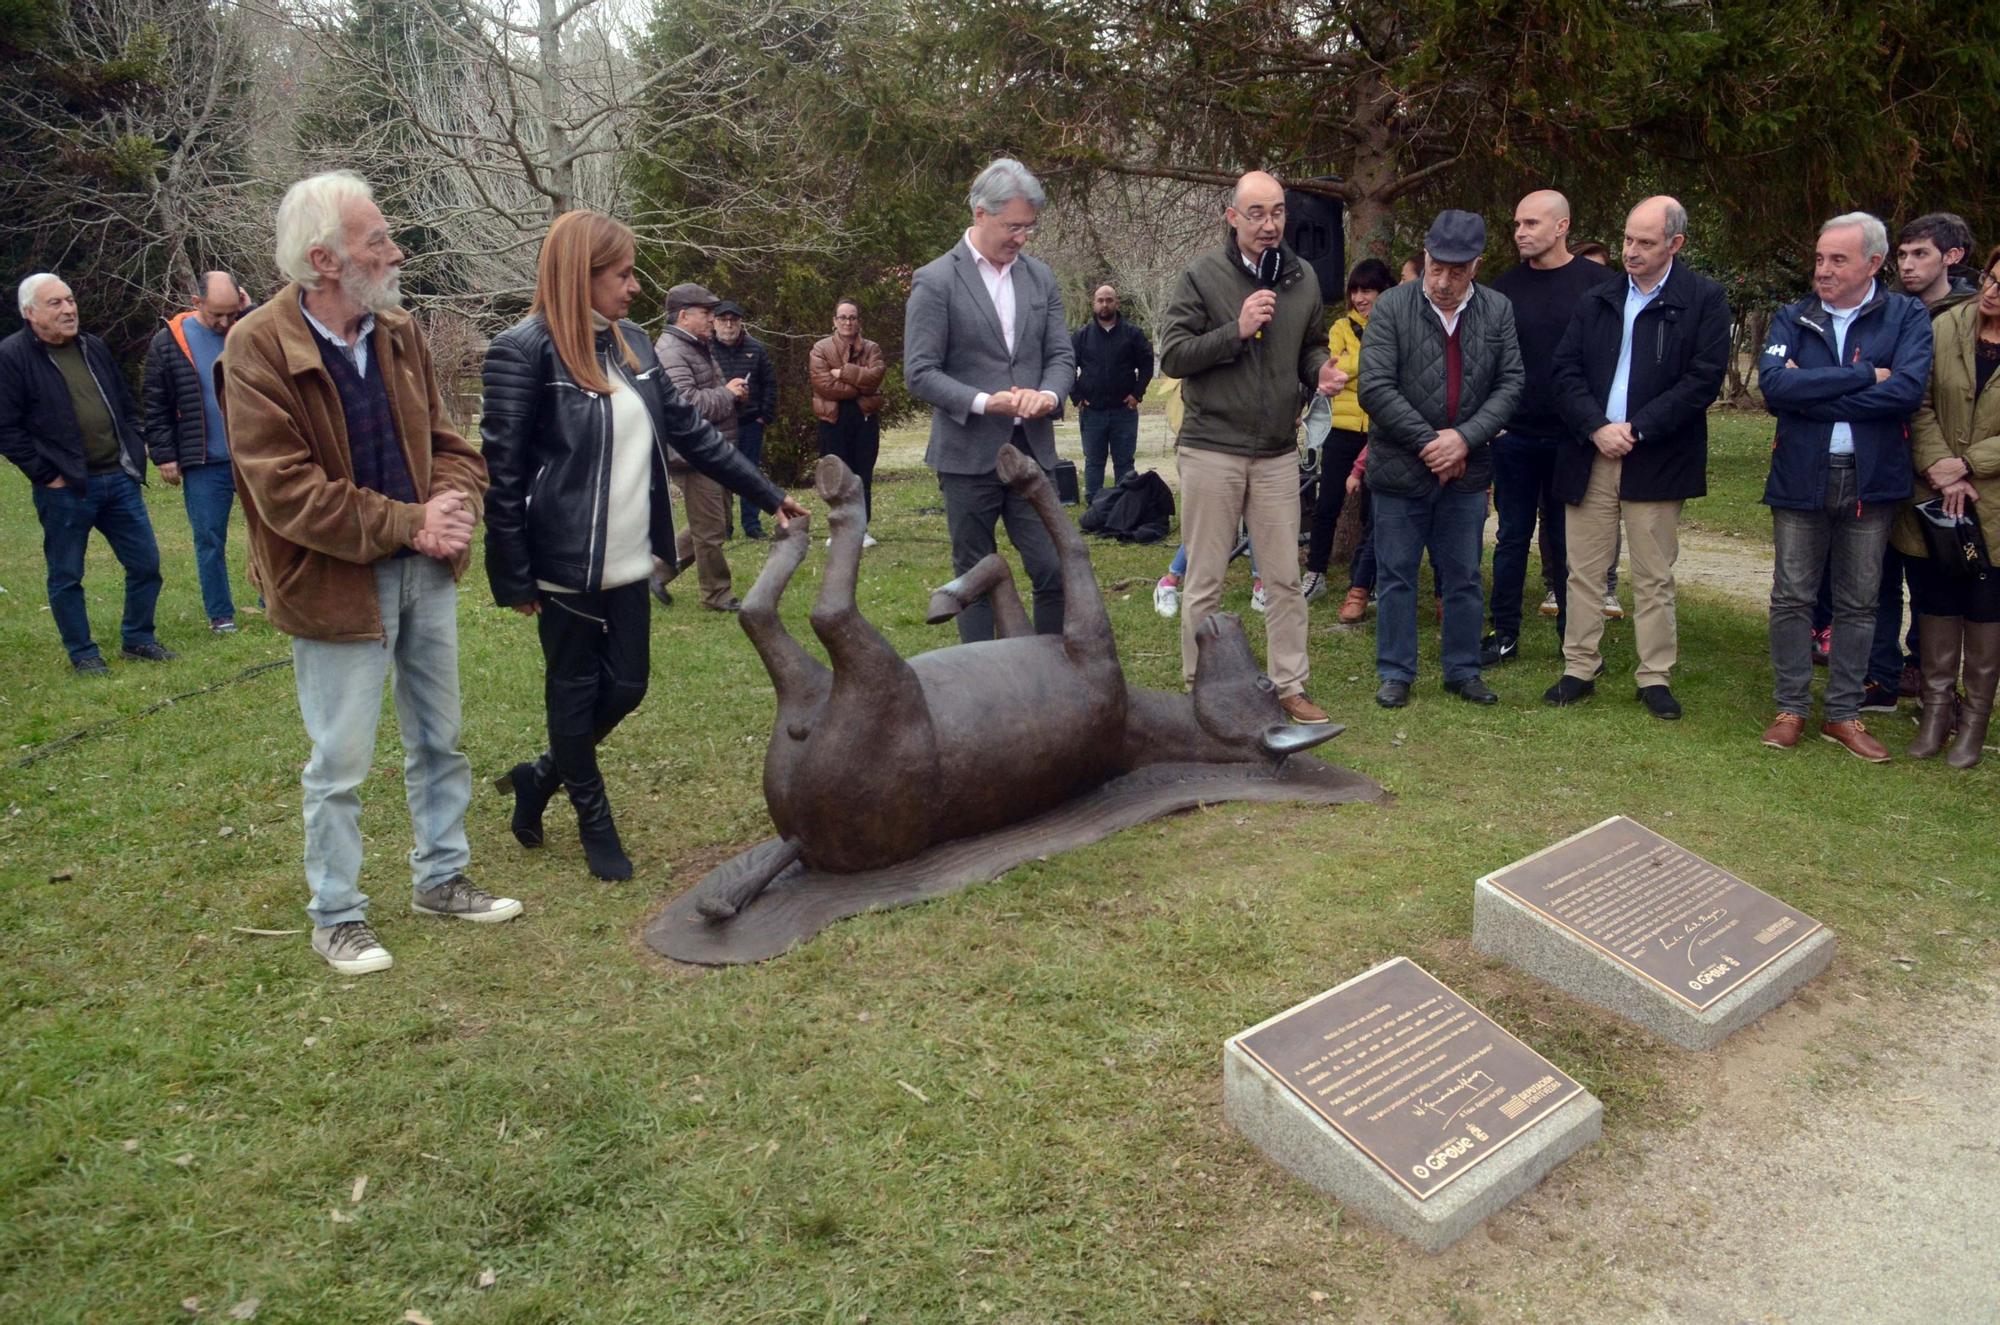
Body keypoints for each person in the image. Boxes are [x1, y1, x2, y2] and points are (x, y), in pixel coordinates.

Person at [219, 170, 517, 976]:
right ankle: (338, 915)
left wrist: (452, 504)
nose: (396, 250)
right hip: (334, 586)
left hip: (422, 571)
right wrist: (409, 521)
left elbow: (449, 444)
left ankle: (442, 877)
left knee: (439, 737)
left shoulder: (396, 331)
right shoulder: (256, 347)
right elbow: (285, 493)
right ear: (324, 259)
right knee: (341, 761)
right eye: (376, 239)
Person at [482, 212, 805, 879]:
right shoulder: (524, 349)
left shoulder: (632, 342)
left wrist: (769, 494)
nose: (635, 287)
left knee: (626, 685)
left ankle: (541, 777)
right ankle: (594, 817)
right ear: (582, 273)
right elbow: (504, 472)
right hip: (565, 562)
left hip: (632, 555)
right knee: (573, 692)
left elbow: (692, 432)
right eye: (622, 273)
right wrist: (514, 575)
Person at [1159, 170, 1344, 723]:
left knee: (1285, 576)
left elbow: (1307, 347)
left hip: (1276, 452)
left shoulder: (1302, 277)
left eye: (1279, 212)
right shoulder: (1201, 276)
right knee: (1207, 577)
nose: (1270, 224)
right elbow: (1173, 356)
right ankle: (1202, 690)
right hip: (1212, 446)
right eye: (1257, 213)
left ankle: (1290, 686)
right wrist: (1235, 331)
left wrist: (1320, 373)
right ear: (1232, 217)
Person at [1543, 196, 1731, 718]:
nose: (1631, 251)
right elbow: (1565, 371)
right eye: (1627, 238)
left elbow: (1703, 379)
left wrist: (1639, 428)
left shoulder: (1703, 299)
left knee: (1653, 574)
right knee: (1582, 569)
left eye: (1645, 242)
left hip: (1658, 456)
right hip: (1591, 451)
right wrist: (1597, 427)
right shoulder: (1598, 298)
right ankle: (1579, 667)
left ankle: (1654, 676)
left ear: (1676, 244)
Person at [1757, 211, 1934, 761]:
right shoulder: (1794, 315)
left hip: (1871, 479)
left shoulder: (1904, 315)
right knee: (1792, 597)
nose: (1824, 270)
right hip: (1800, 477)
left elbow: (1904, 392)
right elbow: (1775, 387)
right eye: (1819, 258)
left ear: (1873, 264)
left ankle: (1843, 714)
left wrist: (1813, 394)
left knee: (1860, 602)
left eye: (1838, 259)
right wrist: (1863, 375)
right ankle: (1790, 708)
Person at [1357, 209, 1525, 708]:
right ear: (1425, 257)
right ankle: (1396, 672)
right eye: (1436, 268)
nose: (1444, 281)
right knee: (1396, 574)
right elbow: (1375, 387)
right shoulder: (1391, 308)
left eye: (1457, 271)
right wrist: (1435, 444)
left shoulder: (1497, 310)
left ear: (1475, 265)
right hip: (1400, 466)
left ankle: (1462, 669)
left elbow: (1511, 383)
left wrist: (1465, 440)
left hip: (1467, 470)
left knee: (1465, 575)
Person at [905, 157, 1075, 642]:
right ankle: (979, 686)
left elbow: (1061, 353)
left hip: (1031, 456)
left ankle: (1049, 678)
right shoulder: (936, 280)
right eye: (1013, 226)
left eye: (1029, 228)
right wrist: (984, 401)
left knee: (1052, 570)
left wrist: (1047, 393)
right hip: (967, 456)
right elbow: (919, 372)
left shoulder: (1040, 278)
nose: (1021, 237)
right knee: (973, 576)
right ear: (981, 214)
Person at [0, 273, 171, 675]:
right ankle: (83, 654)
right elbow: (6, 427)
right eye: (55, 303)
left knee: (146, 564)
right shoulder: (12, 357)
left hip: (119, 479)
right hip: (66, 489)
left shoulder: (92, 346)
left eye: (70, 300)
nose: (69, 309)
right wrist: (46, 474)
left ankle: (138, 639)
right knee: (66, 574)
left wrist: (135, 439)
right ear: (30, 314)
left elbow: (123, 402)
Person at [1483, 191, 1620, 666]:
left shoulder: (1600, 285)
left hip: (1574, 437)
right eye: (1517, 223)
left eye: (1532, 223)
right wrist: (1494, 422)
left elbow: (1612, 359)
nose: (1521, 232)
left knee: (1569, 545)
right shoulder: (1502, 288)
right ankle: (1503, 634)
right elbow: (1489, 360)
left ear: (1562, 227)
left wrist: (1597, 423)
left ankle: (1574, 639)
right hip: (1514, 436)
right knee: (1511, 537)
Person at [1893, 242, 2000, 767]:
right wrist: (1939, 465)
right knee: (1934, 599)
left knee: (1985, 608)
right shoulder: (1945, 326)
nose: (1993, 293)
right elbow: (1917, 398)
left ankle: (1974, 723)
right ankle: (1935, 711)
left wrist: (1969, 464)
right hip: (1932, 494)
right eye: (1993, 279)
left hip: (1993, 500)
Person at [144, 270, 246, 633]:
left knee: (271, 532)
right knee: (208, 539)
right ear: (196, 303)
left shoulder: (247, 330)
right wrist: (164, 455)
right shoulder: (167, 343)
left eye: (231, 313)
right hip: (203, 460)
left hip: (252, 456)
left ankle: (275, 599)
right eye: (216, 314)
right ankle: (221, 615)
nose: (223, 322)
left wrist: (245, 316)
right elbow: (155, 404)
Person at [1303, 258, 1394, 606]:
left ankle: (1365, 582)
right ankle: (1316, 573)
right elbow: (1334, 368)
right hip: (1341, 428)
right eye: (1355, 290)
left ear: (1383, 291)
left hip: (1380, 430)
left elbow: (1389, 371)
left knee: (1374, 512)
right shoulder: (1340, 326)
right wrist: (1371, 363)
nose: (1360, 297)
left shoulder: (1394, 323)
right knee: (1327, 505)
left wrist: (1354, 370)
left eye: (1367, 289)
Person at [654, 283, 748, 611]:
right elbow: (686, 405)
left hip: (709, 448)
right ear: (683, 316)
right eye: (706, 313)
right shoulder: (671, 351)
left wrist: (729, 391)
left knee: (713, 521)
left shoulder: (696, 346)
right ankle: (717, 595)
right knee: (711, 530)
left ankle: (656, 571)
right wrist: (728, 394)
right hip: (693, 453)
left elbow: (711, 389)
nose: (713, 319)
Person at [808, 298, 886, 545]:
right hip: (833, 419)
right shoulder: (820, 348)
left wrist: (843, 373)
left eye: (852, 317)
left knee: (862, 473)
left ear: (859, 321)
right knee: (837, 474)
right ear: (834, 321)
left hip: (864, 418)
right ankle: (839, 529)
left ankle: (862, 529)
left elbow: (875, 379)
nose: (847, 322)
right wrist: (860, 386)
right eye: (843, 317)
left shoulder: (872, 349)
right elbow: (824, 386)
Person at [1070, 282, 1154, 505]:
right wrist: (1076, 396)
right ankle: (1095, 507)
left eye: (1109, 300)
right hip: (1092, 411)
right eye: (1100, 300)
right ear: (1094, 303)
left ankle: (1123, 506)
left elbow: (1147, 365)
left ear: (1117, 302)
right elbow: (1066, 366)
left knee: (1125, 462)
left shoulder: (1133, 334)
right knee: (1094, 461)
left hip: (1123, 411)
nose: (1104, 304)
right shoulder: (1082, 336)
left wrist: (1137, 394)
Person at [710, 299, 777, 539]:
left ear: (740, 323)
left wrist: (763, 416)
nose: (729, 325)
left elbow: (770, 383)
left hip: (750, 422)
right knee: (720, 475)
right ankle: (724, 527)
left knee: (750, 473)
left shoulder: (755, 348)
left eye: (733, 320)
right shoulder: (705, 349)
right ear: (714, 323)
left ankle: (752, 524)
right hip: (719, 423)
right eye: (723, 320)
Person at [1896, 213, 1976, 314]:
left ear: (1950, 256)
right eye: (1902, 255)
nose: (1906, 266)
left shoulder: (1972, 313)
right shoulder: (1884, 308)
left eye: (1919, 254)